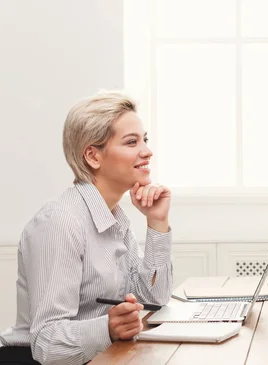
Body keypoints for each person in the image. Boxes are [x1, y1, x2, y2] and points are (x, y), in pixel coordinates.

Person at [0, 92, 173, 365]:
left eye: (145, 140)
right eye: (131, 142)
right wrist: (107, 327)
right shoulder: (59, 223)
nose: (147, 151)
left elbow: (154, 298)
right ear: (93, 156)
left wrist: (157, 222)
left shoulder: (115, 217)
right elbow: (46, 342)